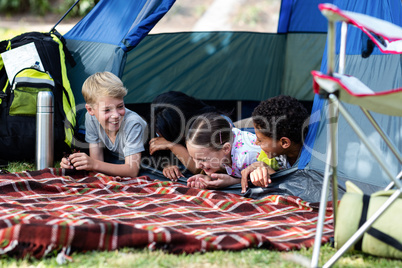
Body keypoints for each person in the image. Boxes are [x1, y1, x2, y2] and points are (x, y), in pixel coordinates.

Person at [60, 71, 147, 177]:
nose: (115, 115)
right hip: (115, 160)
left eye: (120, 106)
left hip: (144, 164)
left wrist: (93, 164)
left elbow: (132, 171)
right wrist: (76, 163)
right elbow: (97, 163)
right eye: (107, 110)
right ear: (90, 110)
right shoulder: (91, 118)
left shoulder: (133, 124)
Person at [148, 91, 232, 181]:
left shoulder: (215, 126)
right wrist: (168, 165)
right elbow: (156, 152)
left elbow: (201, 168)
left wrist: (173, 146)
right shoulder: (165, 126)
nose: (160, 137)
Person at [240, 95, 309, 193]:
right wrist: (256, 167)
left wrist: (273, 175)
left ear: (284, 143)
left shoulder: (313, 159)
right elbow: (261, 165)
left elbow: (307, 189)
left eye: (260, 140)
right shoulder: (274, 152)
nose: (256, 142)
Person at [185, 112, 260, 189]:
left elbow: (269, 180)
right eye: (193, 158)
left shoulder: (247, 157)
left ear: (226, 149)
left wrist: (233, 181)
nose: (197, 166)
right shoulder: (223, 142)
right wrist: (210, 178)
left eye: (203, 160)